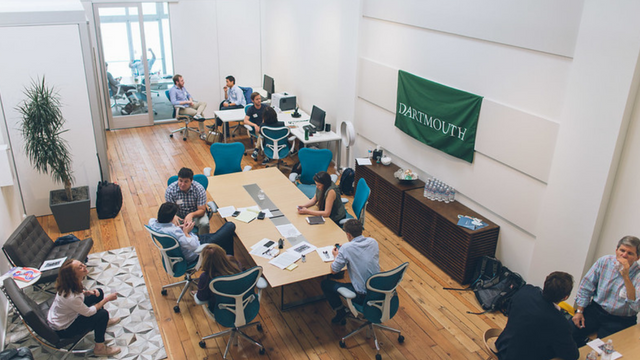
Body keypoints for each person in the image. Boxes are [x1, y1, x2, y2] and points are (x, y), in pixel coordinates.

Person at [570, 235, 640, 346]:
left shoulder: (638, 274)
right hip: (596, 310)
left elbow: (636, 306)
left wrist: (626, 277)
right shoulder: (605, 261)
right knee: (568, 332)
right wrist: (579, 311)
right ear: (616, 250)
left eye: (630, 253)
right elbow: (586, 286)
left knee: (604, 350)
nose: (624, 255)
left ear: (637, 257)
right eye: (622, 250)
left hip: (620, 320)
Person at [495, 271, 578, 360]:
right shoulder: (560, 323)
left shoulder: (526, 290)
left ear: (545, 284)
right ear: (565, 297)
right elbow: (572, 355)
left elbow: (509, 309)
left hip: (504, 346)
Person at [47, 259, 121, 357]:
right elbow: (88, 312)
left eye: (82, 264)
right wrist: (107, 299)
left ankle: (104, 322)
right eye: (80, 267)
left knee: (98, 293)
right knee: (102, 314)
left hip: (66, 314)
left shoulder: (70, 284)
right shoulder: (71, 297)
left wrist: (87, 292)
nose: (84, 266)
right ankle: (100, 348)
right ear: (73, 275)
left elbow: (77, 295)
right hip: (65, 329)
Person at [320, 219, 380, 324]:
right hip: (378, 291)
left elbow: (334, 270)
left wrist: (336, 256)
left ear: (348, 235)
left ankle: (340, 312)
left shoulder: (346, 248)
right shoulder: (373, 242)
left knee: (325, 284)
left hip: (363, 296)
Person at [148, 202, 236, 263]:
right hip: (199, 247)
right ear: (171, 218)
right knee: (230, 226)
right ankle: (230, 263)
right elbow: (195, 246)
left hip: (195, 240)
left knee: (227, 236)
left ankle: (228, 262)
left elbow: (155, 221)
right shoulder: (175, 232)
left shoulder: (154, 224)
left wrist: (178, 227)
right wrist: (186, 232)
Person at [195, 243, 243, 311]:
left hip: (221, 309)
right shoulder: (234, 262)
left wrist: (199, 291)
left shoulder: (206, 277)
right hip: (244, 303)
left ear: (205, 260)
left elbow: (201, 298)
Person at [165, 167, 209, 235]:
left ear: (191, 181)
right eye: (180, 180)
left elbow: (202, 210)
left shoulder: (199, 190)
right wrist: (173, 216)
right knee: (168, 226)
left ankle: (203, 243)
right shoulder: (170, 190)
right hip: (177, 216)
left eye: (186, 181)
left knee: (204, 223)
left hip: (195, 215)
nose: (182, 184)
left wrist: (191, 215)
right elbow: (169, 209)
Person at [244, 92, 267, 160]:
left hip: (264, 127)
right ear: (252, 100)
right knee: (261, 134)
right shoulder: (251, 109)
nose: (259, 100)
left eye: (259, 99)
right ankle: (257, 150)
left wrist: (262, 124)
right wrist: (255, 125)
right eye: (257, 99)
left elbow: (268, 117)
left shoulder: (265, 107)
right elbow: (245, 121)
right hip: (256, 129)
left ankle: (258, 150)